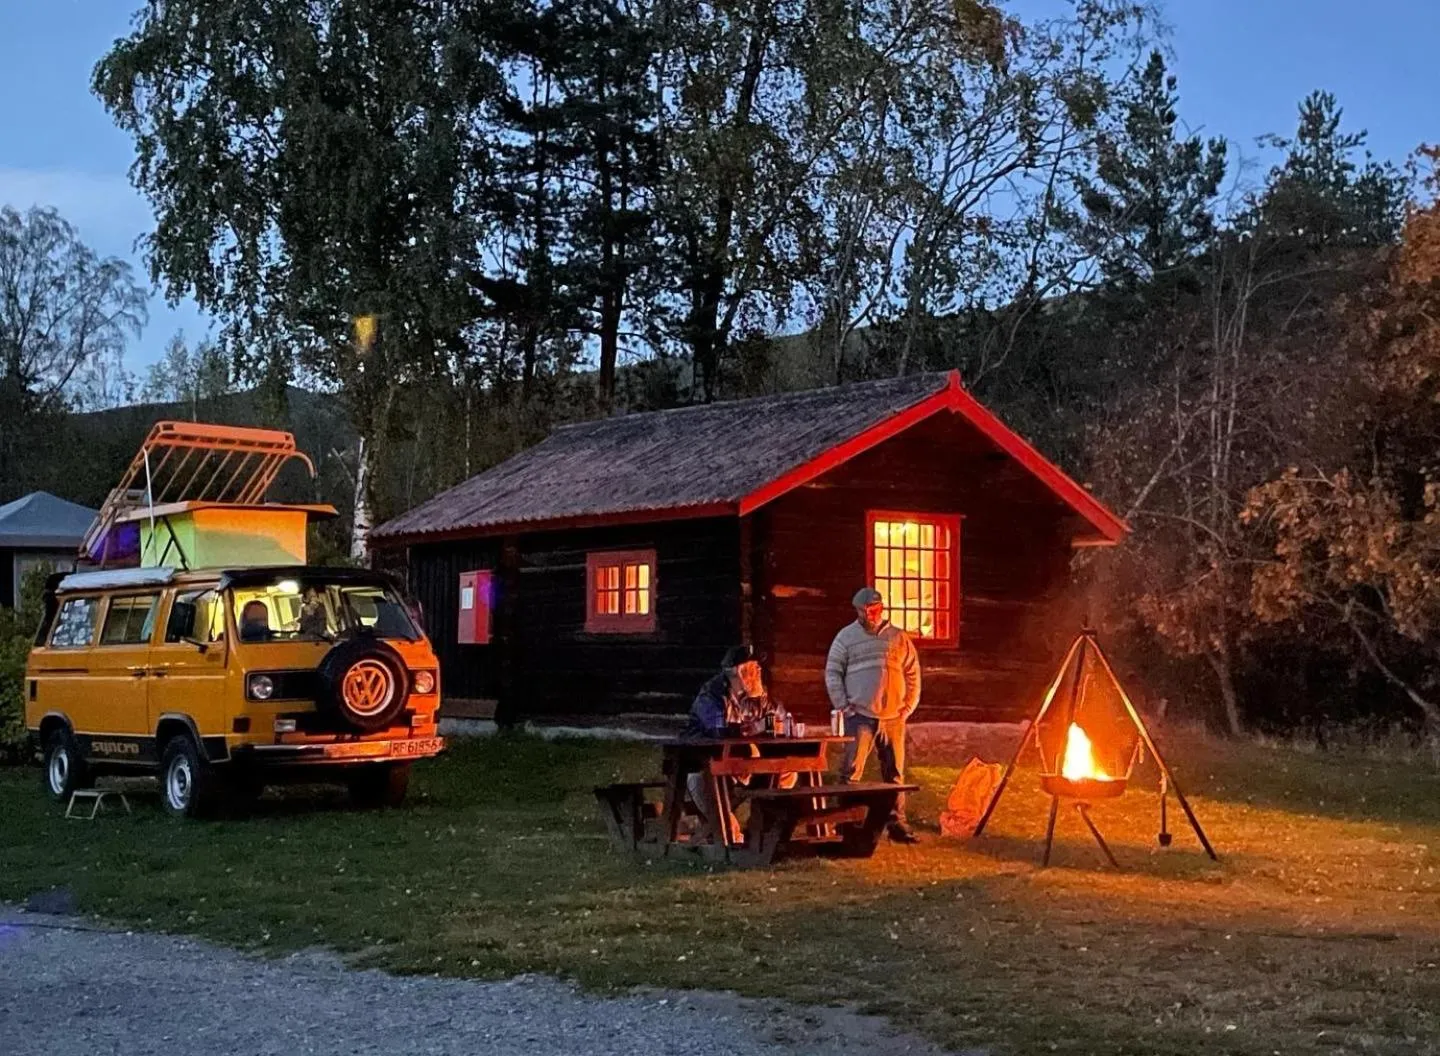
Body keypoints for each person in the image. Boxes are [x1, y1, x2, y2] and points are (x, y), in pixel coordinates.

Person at [825, 587, 922, 843]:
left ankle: (897, 824)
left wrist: (908, 706)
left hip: (893, 717)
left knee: (895, 773)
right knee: (851, 771)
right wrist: (843, 705)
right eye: (865, 610)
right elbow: (833, 672)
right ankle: (846, 822)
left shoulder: (898, 638)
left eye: (875, 609)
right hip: (860, 715)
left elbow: (913, 673)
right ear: (857, 611)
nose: (871, 615)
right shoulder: (845, 638)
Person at [683, 645, 793, 842]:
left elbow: (781, 719)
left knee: (787, 770)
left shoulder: (759, 695)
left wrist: (768, 725)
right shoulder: (712, 695)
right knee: (702, 783)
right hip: (705, 765)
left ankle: (763, 829)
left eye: (758, 667)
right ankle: (731, 836)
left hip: (743, 765)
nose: (759, 671)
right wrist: (754, 728)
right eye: (753, 668)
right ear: (738, 674)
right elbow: (719, 731)